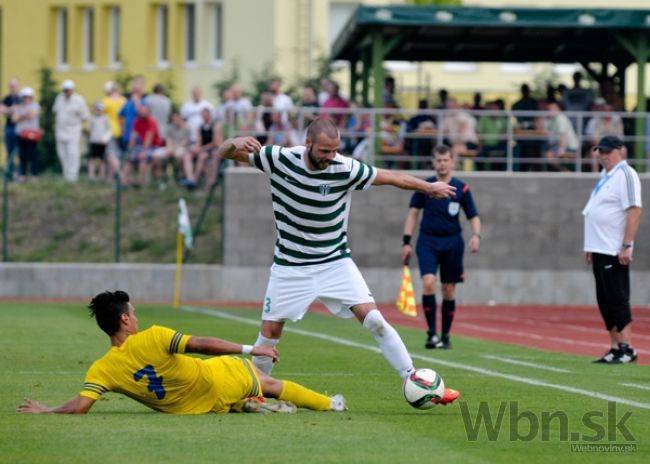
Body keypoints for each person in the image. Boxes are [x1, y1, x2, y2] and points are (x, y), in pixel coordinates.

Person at [216, 117, 461, 405]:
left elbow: (392, 178)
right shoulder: (280, 158)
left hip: (335, 261)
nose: (331, 157)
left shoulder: (345, 167)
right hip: (290, 265)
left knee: (375, 320)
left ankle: (415, 379)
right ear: (307, 144)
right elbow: (225, 152)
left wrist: (428, 188)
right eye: (324, 151)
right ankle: (254, 392)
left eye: (335, 150)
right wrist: (234, 143)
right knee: (270, 332)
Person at [16, 290, 347, 415]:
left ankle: (246, 404)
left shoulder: (102, 370)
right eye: (134, 312)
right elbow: (202, 345)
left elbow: (81, 405)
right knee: (267, 382)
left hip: (194, 409)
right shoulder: (155, 335)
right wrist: (253, 347)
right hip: (216, 379)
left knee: (244, 391)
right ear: (125, 319)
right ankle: (329, 404)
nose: (138, 317)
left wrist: (48, 410)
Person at [401, 146, 481, 349]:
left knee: (448, 289)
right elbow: (413, 213)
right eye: (439, 160)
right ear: (434, 162)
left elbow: (473, 215)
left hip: (453, 242)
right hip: (428, 241)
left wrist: (476, 235)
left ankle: (445, 336)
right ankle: (431, 334)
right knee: (428, 283)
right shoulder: (425, 186)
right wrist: (406, 241)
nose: (442, 164)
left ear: (453, 162)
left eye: (446, 160)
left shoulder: (461, 189)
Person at [582, 136, 642, 364]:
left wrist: (627, 245)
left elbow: (634, 210)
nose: (603, 156)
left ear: (620, 151)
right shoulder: (605, 175)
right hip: (598, 246)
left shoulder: (626, 175)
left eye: (608, 152)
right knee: (604, 298)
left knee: (617, 296)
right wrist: (589, 245)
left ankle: (627, 347)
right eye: (601, 152)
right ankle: (615, 346)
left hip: (613, 247)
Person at [53, 80, 90, 182]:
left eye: (68, 90)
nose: (66, 92)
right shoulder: (59, 98)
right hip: (61, 130)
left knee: (72, 153)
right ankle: (66, 175)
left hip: (73, 131)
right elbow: (56, 111)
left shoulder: (79, 100)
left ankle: (73, 177)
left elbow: (86, 116)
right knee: (62, 153)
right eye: (65, 90)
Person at [12, 87, 41, 182]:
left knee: (33, 155)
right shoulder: (19, 106)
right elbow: (14, 119)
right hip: (21, 134)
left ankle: (34, 175)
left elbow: (31, 115)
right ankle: (22, 175)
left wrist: (21, 116)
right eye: (24, 97)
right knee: (22, 155)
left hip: (31, 134)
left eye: (28, 97)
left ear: (31, 97)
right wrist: (25, 115)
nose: (26, 99)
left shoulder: (35, 105)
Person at [0, 78, 21, 180]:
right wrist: (12, 110)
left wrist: (10, 110)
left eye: (14, 85)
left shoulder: (21, 98)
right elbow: (2, 109)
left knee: (20, 150)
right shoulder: (7, 98)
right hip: (9, 127)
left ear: (18, 86)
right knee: (10, 150)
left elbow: (19, 113)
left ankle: (20, 173)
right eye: (11, 86)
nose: (13, 87)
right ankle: (10, 173)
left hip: (20, 128)